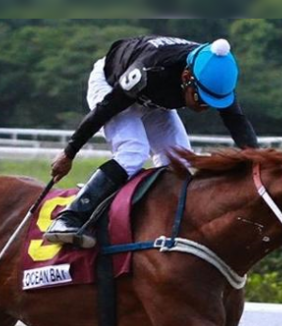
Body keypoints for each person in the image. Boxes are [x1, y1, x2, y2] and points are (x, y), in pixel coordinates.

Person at [44, 35, 259, 248]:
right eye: (201, 97)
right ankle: (70, 217)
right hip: (112, 86)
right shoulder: (150, 69)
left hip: (154, 98)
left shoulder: (215, 76)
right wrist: (69, 152)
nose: (206, 106)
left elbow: (236, 121)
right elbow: (106, 108)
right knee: (134, 152)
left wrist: (259, 162)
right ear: (186, 76)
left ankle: (161, 223)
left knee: (181, 162)